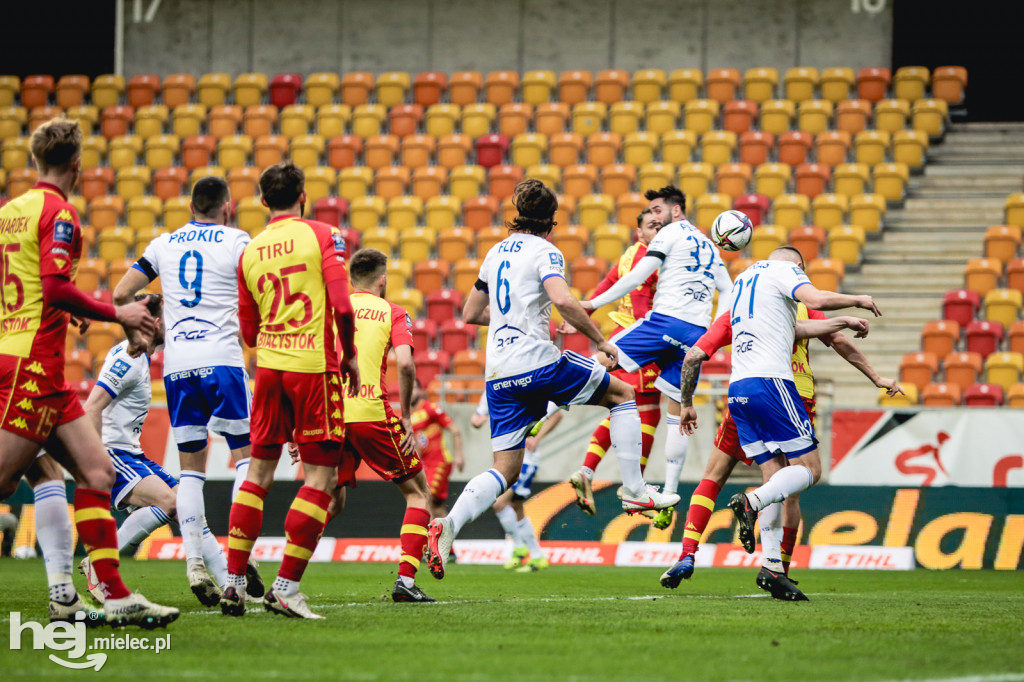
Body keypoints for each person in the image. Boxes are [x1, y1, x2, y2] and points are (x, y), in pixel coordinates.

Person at [426, 179, 679, 581]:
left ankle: (449, 525)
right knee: (624, 393)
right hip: (537, 363)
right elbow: (562, 299)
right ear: (552, 221)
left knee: (505, 470)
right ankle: (636, 490)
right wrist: (599, 340)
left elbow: (472, 312)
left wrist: (513, 319)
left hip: (499, 374)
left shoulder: (494, 252)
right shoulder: (546, 251)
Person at [0, 117, 177, 628]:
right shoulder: (59, 214)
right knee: (5, 479)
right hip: (32, 364)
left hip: (33, 360)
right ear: (77, 163)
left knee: (95, 472)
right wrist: (114, 311)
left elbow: (34, 288)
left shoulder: (13, 211)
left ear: (36, 160)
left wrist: (66, 311)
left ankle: (107, 595)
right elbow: (53, 288)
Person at [675, 246, 882, 599]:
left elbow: (798, 326)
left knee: (774, 478)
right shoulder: (785, 272)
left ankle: (771, 567)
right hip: (775, 386)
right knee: (809, 472)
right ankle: (751, 503)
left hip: (738, 391)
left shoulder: (744, 285)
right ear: (797, 267)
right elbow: (815, 298)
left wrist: (686, 403)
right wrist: (857, 300)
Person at [221, 161, 358, 619]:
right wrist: (350, 355)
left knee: (257, 475)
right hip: (313, 369)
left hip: (269, 373)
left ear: (262, 201)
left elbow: (248, 331)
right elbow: (341, 303)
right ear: (304, 194)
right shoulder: (322, 235)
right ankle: (285, 588)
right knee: (321, 478)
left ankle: (235, 582)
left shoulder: (251, 251)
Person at [114, 175, 256, 603]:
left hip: (179, 368)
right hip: (223, 361)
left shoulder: (163, 244)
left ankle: (195, 561)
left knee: (191, 471)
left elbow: (122, 293)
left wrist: (138, 335)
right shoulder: (237, 241)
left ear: (191, 206)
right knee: (247, 460)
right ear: (226, 207)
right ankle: (235, 571)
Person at [78, 295, 266, 606]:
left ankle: (233, 585)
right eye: (169, 316)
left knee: (188, 510)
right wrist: (94, 460)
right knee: (170, 502)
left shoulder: (139, 357)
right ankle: (99, 561)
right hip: (113, 453)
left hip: (132, 453)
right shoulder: (127, 358)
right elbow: (92, 407)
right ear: (154, 322)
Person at [580, 186, 733, 530]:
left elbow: (633, 279)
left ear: (674, 211)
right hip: (697, 333)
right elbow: (729, 291)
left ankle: (544, 406)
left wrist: (592, 304)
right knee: (673, 412)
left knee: (601, 367)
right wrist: (715, 335)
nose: (653, 216)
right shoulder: (708, 245)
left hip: (662, 323)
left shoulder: (668, 235)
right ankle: (669, 492)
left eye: (657, 210)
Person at [331, 248, 436, 603]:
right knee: (419, 493)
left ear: (350, 279)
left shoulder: (334, 308)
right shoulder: (392, 310)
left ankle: (284, 578)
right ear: (382, 279)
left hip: (330, 414)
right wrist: (405, 414)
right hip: (369, 412)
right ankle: (405, 580)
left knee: (328, 501)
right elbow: (405, 365)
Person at [569, 208, 663, 522]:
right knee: (648, 410)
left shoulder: (629, 254)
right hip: (638, 343)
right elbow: (639, 306)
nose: (658, 230)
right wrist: (651, 341)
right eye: (652, 226)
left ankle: (587, 470)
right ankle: (636, 487)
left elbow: (608, 284)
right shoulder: (645, 258)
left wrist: (584, 312)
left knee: (621, 408)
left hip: (620, 339)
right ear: (639, 232)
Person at [471, 392, 563, 572]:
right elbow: (477, 418)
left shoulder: (525, 385)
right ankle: (536, 556)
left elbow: (557, 414)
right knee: (516, 507)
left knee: (499, 503)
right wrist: (477, 420)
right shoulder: (490, 391)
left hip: (525, 460)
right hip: (503, 459)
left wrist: (537, 438)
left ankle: (519, 547)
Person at [410, 380, 465, 520]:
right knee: (437, 508)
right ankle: (446, 542)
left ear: (421, 391)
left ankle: (427, 540)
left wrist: (459, 455)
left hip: (440, 461)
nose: (410, 392)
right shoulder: (408, 417)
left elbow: (455, 430)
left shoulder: (430, 408)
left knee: (425, 498)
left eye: (414, 388)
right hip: (426, 465)